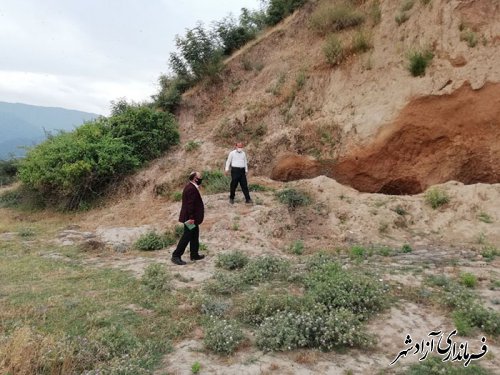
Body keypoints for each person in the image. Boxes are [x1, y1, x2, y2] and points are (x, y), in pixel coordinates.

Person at [171, 171, 205, 265]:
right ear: (195, 178)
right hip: (190, 218)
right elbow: (190, 205)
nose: (201, 179)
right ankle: (176, 255)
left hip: (192, 218)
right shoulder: (191, 188)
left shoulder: (191, 187)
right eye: (199, 177)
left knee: (194, 235)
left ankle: (194, 254)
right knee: (187, 236)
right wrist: (191, 218)